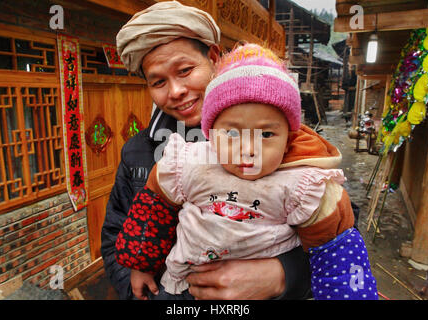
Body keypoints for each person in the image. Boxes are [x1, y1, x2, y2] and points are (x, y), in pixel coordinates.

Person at [115, 43, 378, 300]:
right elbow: (152, 209)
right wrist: (140, 265)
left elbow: (334, 251)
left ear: (289, 139)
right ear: (210, 136)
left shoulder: (304, 183)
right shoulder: (184, 163)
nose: (248, 150)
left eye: (266, 134)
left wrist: (287, 275)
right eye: (231, 133)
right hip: (180, 289)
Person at [101, 1, 311, 300]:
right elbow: (113, 238)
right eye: (158, 81)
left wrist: (283, 275)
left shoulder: (275, 137)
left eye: (185, 70)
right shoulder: (138, 152)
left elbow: (334, 229)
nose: (175, 91)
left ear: (213, 56)